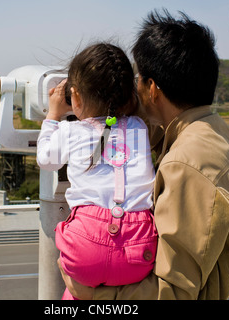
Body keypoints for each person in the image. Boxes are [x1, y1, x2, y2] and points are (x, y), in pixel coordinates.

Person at [59, 9, 229, 300]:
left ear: (152, 89)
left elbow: (174, 292)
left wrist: (85, 290)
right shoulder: (216, 133)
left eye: (138, 78)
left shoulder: (187, 164)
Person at [37, 43, 157, 300]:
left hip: (85, 248)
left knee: (74, 295)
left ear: (75, 97)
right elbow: (112, 125)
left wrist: (53, 115)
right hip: (140, 250)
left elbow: (45, 159)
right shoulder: (139, 126)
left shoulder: (70, 132)